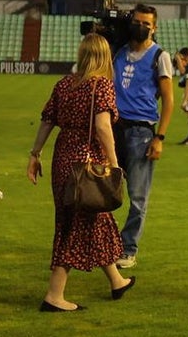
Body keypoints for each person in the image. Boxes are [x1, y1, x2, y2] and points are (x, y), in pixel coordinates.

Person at [27, 34, 136, 311]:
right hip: (87, 161)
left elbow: (46, 121)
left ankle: (117, 281)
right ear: (104, 57)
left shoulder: (64, 83)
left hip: (63, 159)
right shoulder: (101, 85)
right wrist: (114, 163)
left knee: (93, 219)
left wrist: (35, 154)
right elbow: (102, 127)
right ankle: (54, 295)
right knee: (77, 223)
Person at [113, 4, 174, 269]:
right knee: (102, 189)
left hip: (141, 131)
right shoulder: (119, 51)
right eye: (137, 21)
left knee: (137, 196)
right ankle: (104, 243)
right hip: (113, 127)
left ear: (154, 27)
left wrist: (159, 137)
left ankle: (128, 248)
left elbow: (169, 101)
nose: (140, 26)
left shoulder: (160, 56)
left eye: (146, 23)